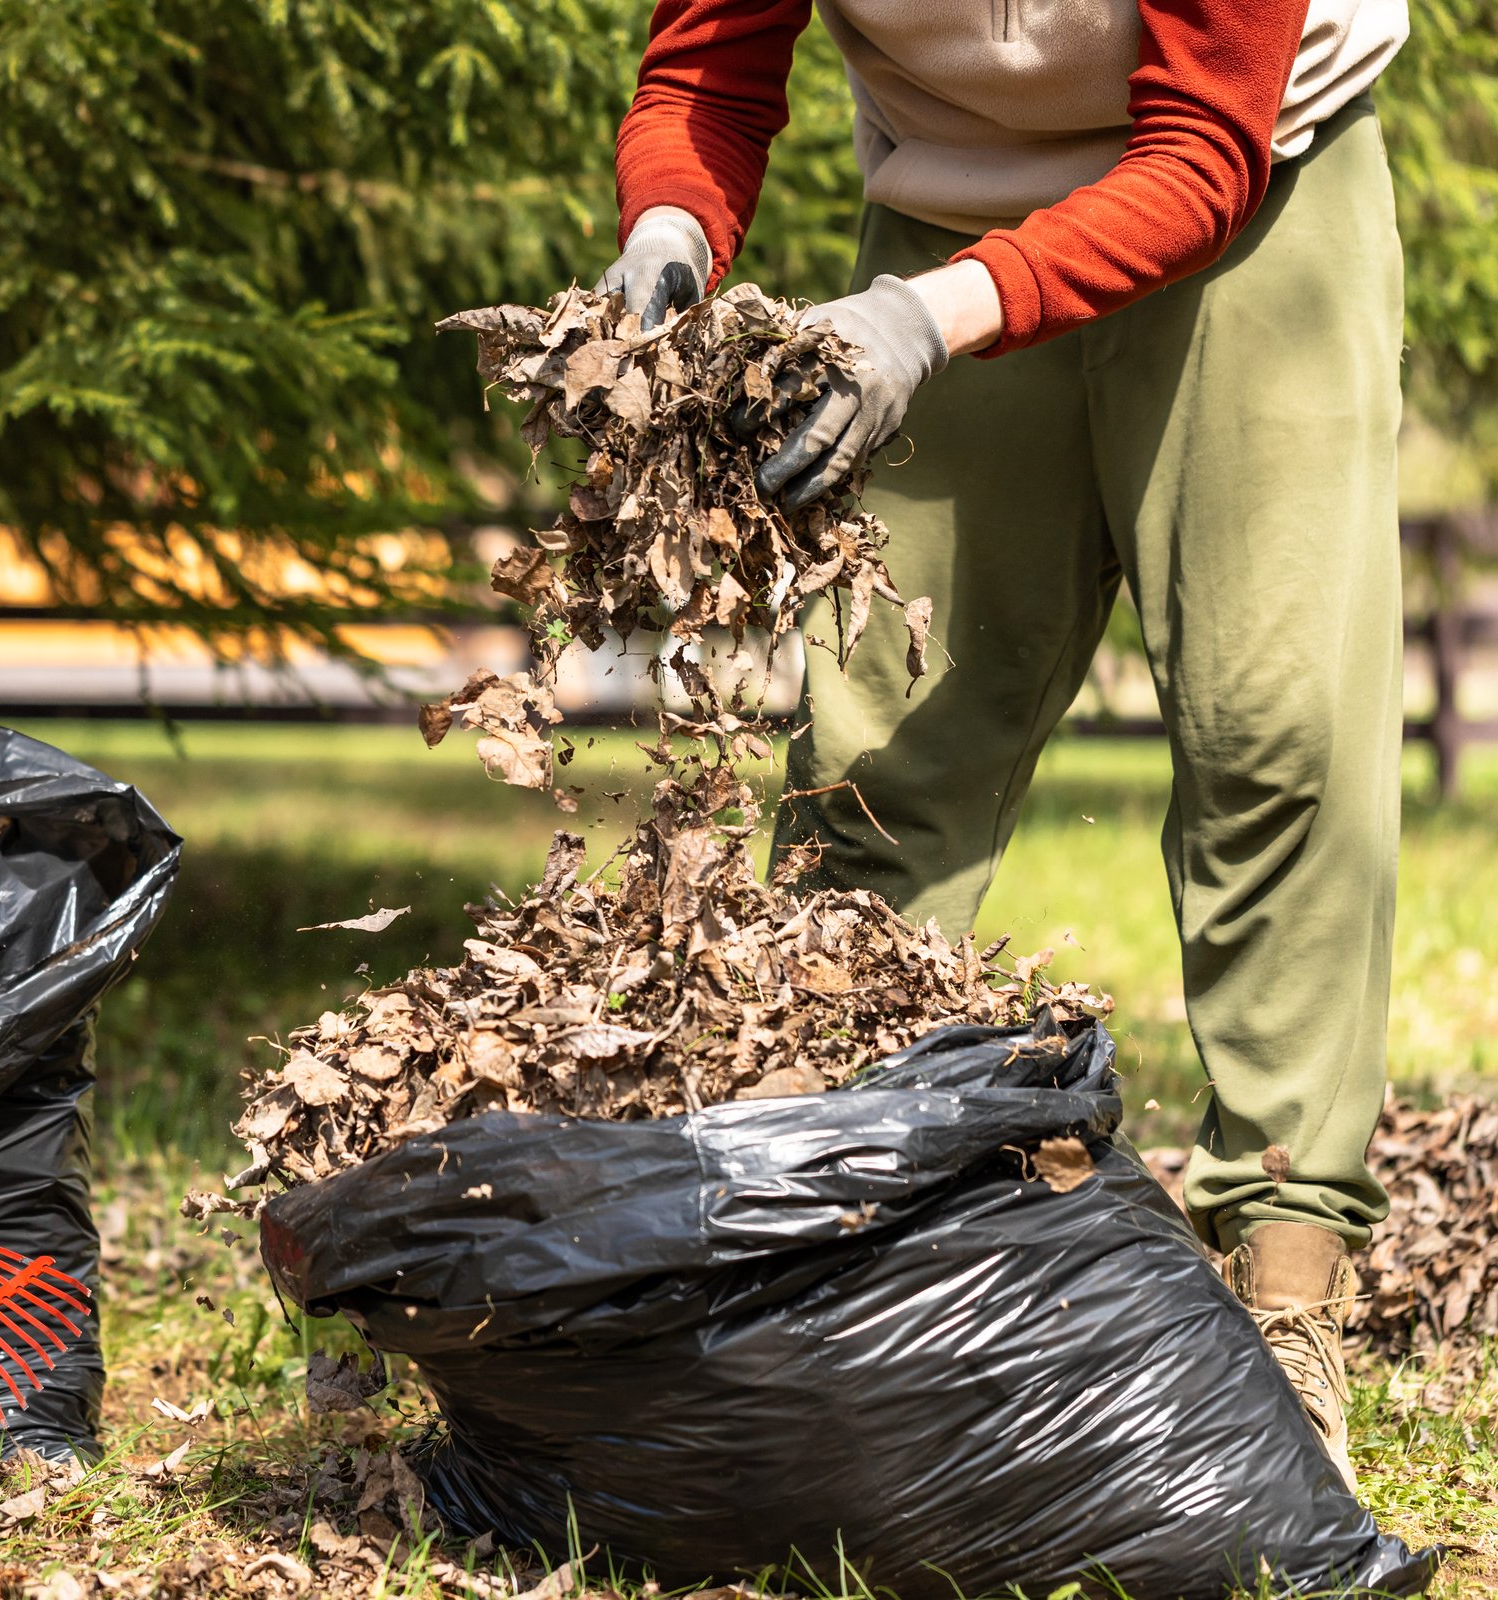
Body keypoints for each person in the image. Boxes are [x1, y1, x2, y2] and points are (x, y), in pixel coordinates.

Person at [596, 0, 1408, 1488]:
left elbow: (1202, 151)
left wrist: (931, 324)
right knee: (879, 760)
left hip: (1253, 201)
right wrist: (671, 223)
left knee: (1271, 736)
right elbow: (711, 68)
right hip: (943, 204)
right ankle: (829, 1257)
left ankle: (1287, 1284)